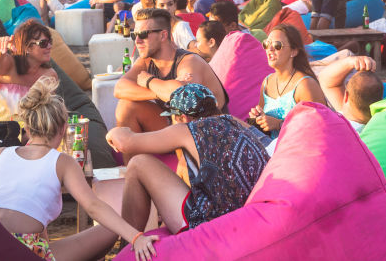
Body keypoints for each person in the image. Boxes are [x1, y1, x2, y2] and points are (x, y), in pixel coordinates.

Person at [0, 76, 158, 261]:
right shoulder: (62, 161)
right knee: (110, 229)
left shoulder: (0, 153)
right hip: (25, 250)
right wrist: (136, 237)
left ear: (26, 127)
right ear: (64, 128)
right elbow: (93, 206)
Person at [107, 83, 268, 233]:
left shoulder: (188, 129)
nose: (169, 124)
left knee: (138, 164)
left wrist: (113, 133)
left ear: (183, 117)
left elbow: (125, 143)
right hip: (250, 217)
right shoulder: (233, 122)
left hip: (213, 225)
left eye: (170, 119)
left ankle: (128, 244)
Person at [113, 8, 228, 143]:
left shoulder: (189, 61)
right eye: (134, 35)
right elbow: (119, 88)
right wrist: (159, 92)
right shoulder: (146, 61)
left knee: (179, 111)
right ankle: (132, 164)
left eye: (143, 34)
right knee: (126, 106)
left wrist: (149, 81)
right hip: (177, 127)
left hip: (210, 135)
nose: (137, 41)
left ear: (163, 35)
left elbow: (184, 96)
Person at [248, 24, 327, 137]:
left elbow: (319, 126)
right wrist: (259, 117)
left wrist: (279, 124)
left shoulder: (304, 85)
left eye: (277, 45)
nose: (270, 49)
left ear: (293, 51)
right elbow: (265, 121)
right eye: (267, 44)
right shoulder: (267, 82)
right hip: (274, 148)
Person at [0, 20, 58, 118]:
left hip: (29, 130)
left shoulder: (49, 75)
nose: (49, 46)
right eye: (43, 43)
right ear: (27, 48)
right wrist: (0, 47)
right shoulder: (9, 65)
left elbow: (48, 113)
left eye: (50, 42)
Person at [318, 55, 381, 132]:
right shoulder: (381, 126)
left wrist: (350, 61)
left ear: (346, 96)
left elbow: (324, 79)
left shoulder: (336, 127)